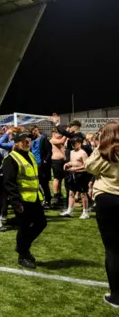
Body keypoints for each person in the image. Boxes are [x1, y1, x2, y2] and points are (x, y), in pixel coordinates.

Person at [85, 121, 119, 308]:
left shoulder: (104, 151)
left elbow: (89, 167)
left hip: (107, 197)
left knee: (113, 249)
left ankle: (116, 295)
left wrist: (99, 147)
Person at [2, 132, 47, 269]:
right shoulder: (11, 159)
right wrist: (16, 202)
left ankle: (22, 247)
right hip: (22, 200)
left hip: (34, 199)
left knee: (41, 223)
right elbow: (9, 183)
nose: (28, 143)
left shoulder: (31, 155)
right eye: (24, 141)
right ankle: (23, 255)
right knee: (24, 228)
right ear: (16, 143)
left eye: (29, 141)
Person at [60, 137, 90, 219]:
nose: (73, 144)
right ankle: (69, 210)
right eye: (72, 143)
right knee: (71, 193)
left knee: (83, 194)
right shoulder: (71, 152)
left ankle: (85, 212)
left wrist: (75, 168)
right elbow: (73, 161)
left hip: (82, 175)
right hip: (73, 175)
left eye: (75, 143)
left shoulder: (83, 153)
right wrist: (67, 164)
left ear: (79, 143)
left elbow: (86, 166)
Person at [30, 125, 53, 208]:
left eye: (33, 131)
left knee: (44, 183)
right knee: (35, 183)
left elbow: (49, 152)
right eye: (31, 131)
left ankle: (48, 201)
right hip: (33, 164)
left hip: (41, 164)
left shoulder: (43, 139)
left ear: (37, 130)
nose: (32, 133)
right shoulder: (31, 140)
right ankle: (40, 199)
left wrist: (45, 160)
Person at [50, 130, 68, 207]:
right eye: (59, 133)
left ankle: (59, 193)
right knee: (57, 178)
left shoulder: (59, 140)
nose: (60, 135)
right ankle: (55, 195)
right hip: (56, 161)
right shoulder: (52, 140)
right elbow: (61, 141)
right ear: (53, 133)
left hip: (62, 161)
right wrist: (66, 133)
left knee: (61, 179)